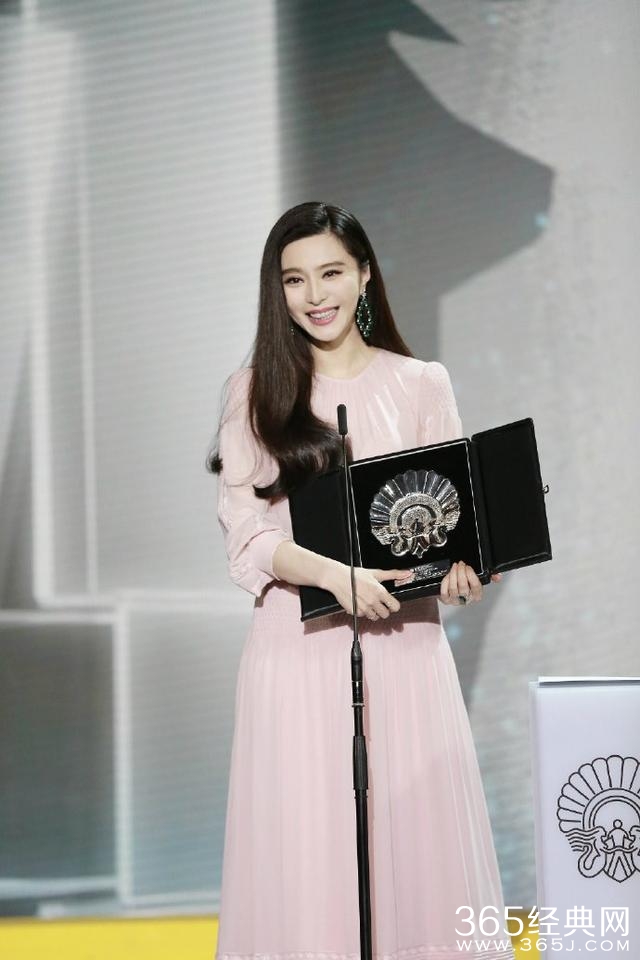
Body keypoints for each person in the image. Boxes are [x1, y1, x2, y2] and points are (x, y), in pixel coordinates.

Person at [208, 201, 514, 960]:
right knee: (305, 864)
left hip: (405, 653)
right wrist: (332, 575)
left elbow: (450, 524)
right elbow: (247, 534)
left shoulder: (420, 383)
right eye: (295, 279)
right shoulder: (253, 392)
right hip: (296, 650)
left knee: (415, 863)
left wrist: (463, 573)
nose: (315, 295)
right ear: (276, 291)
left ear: (365, 274)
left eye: (332, 273)